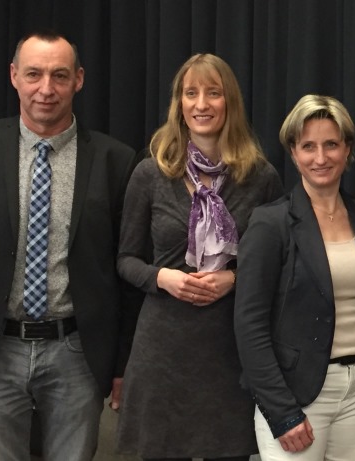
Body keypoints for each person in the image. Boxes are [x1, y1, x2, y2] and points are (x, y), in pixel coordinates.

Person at [0, 30, 142, 460]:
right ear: (13, 76)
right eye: (34, 74)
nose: (46, 88)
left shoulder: (115, 160)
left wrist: (124, 366)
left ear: (78, 79)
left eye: (59, 75)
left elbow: (127, 273)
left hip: (77, 354)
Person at [114, 53, 283, 460]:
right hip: (162, 352)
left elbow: (279, 264)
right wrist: (163, 278)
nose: (201, 104)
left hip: (229, 352)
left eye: (213, 93)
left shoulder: (261, 177)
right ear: (179, 103)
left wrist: (234, 279)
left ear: (230, 102)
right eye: (191, 93)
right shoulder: (150, 173)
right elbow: (126, 259)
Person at [234, 94, 355, 461]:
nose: (321, 158)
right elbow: (249, 325)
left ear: (347, 149)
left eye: (331, 144)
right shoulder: (270, 223)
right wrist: (281, 411)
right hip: (296, 393)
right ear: (293, 152)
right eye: (308, 146)